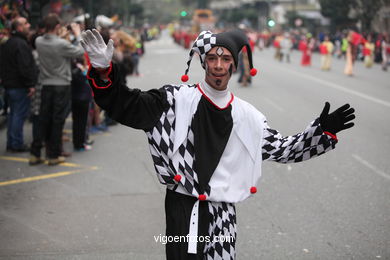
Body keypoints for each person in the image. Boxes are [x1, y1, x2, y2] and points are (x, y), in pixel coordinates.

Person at [81, 29, 356, 259]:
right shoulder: (174, 100)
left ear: (234, 65)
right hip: (183, 207)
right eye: (212, 58)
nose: (218, 65)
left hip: (224, 212)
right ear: (204, 63)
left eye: (225, 59)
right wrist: (103, 71)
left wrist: (322, 131)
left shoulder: (248, 117)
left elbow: (283, 149)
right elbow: (128, 105)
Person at [33, 13, 84, 165]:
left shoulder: (38, 41)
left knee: (43, 119)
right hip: (61, 84)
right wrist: (78, 34)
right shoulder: (61, 45)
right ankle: (53, 155)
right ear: (56, 27)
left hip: (45, 84)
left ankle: (35, 153)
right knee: (57, 120)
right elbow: (80, 51)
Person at [0, 16, 38, 152]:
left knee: (13, 114)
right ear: (19, 27)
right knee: (18, 114)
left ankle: (12, 141)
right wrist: (30, 84)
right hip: (18, 85)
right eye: (26, 23)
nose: (29, 25)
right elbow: (24, 66)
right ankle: (16, 143)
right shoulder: (20, 44)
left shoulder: (9, 43)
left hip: (10, 84)